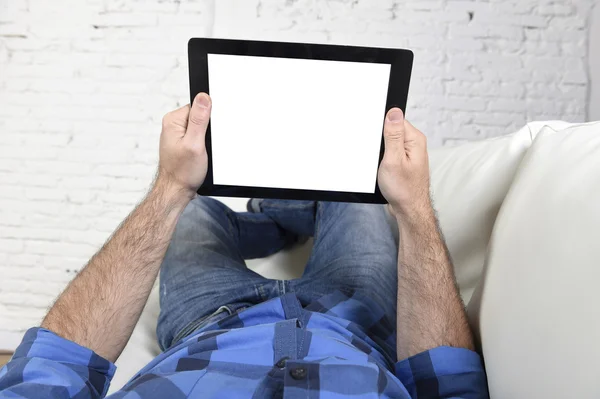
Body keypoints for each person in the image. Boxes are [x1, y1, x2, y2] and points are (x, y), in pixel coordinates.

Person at [0, 93, 488, 398]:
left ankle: (272, 215)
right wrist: (414, 205)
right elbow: (446, 381)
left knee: (192, 206)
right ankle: (293, 211)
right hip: (350, 319)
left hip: (207, 320)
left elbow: (53, 365)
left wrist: (172, 186)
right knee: (359, 198)